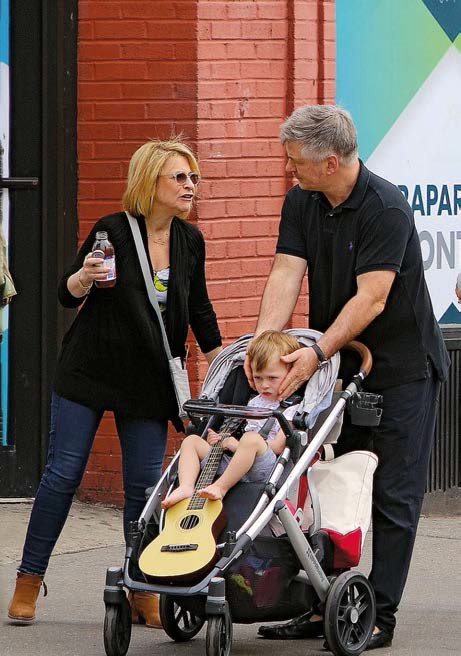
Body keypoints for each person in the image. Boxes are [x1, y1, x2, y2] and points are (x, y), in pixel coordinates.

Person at [245, 105, 450, 650]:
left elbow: (372, 298)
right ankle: (325, 603)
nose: (289, 170)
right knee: (330, 486)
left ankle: (379, 614)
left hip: (402, 369)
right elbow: (286, 271)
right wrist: (264, 347)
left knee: (393, 494)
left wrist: (316, 353)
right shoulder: (302, 201)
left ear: (330, 162)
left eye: (296, 162)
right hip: (343, 368)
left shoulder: (386, 208)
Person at [7, 138, 222, 626]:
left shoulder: (190, 241)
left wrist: (225, 366)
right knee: (63, 474)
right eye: (180, 177)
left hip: (148, 380)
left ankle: (140, 587)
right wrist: (84, 276)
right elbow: (67, 294)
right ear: (150, 182)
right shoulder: (113, 231)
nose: (190, 186)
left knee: (143, 486)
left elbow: (201, 310)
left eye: (194, 177)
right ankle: (28, 578)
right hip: (90, 370)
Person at [162, 330, 301, 508]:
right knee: (192, 441)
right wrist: (221, 440)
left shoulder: (290, 408)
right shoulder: (253, 401)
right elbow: (240, 433)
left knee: (251, 439)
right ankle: (186, 486)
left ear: (291, 374)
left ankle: (220, 487)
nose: (264, 385)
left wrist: (238, 445)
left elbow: (278, 447)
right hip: (234, 461)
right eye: (258, 378)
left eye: (272, 378)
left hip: (262, 465)